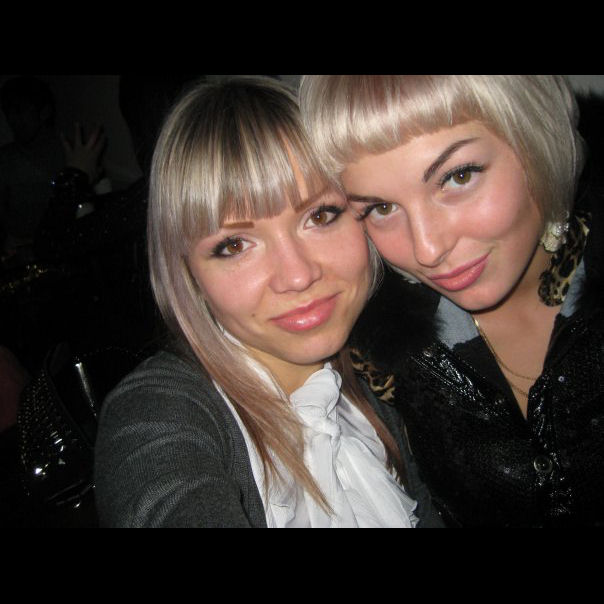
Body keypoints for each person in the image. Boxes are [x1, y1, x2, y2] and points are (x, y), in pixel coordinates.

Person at [94, 76, 442, 528]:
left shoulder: (386, 378)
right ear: (188, 273)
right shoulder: (156, 416)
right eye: (234, 245)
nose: (298, 275)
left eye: (320, 215)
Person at [299, 75, 604, 528]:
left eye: (458, 177)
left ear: (539, 140)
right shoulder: (368, 353)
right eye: (381, 208)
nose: (427, 249)